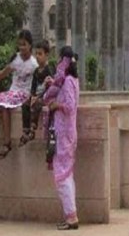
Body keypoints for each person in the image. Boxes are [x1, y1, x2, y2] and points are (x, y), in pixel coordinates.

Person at [0, 29, 38, 160]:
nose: (21, 48)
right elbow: (5, 72)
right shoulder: (16, 59)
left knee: (4, 105)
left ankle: (7, 143)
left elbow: (38, 81)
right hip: (12, 92)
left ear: (30, 45)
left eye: (24, 44)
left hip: (23, 94)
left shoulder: (34, 64)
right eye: (20, 44)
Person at [45, 46, 80, 230]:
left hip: (64, 134)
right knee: (67, 174)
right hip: (67, 133)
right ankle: (70, 215)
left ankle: (71, 217)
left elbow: (70, 106)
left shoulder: (67, 82)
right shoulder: (73, 80)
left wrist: (55, 105)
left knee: (61, 176)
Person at [20, 39, 55, 147]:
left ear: (46, 55)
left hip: (46, 97)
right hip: (37, 97)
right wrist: (32, 96)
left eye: (40, 54)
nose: (37, 57)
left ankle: (32, 129)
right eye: (36, 54)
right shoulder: (36, 71)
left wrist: (38, 97)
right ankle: (26, 130)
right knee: (25, 104)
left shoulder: (49, 69)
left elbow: (51, 88)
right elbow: (33, 87)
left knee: (38, 103)